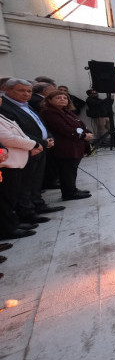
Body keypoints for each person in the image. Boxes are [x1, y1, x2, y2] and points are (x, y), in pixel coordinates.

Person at [0, 78, 63, 223]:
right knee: (25, 183)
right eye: (21, 90)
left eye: (29, 91)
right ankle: (27, 212)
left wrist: (49, 137)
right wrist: (40, 142)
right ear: (7, 90)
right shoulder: (6, 107)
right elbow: (18, 132)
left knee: (36, 180)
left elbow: (38, 123)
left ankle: (38, 204)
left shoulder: (26, 105)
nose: (26, 94)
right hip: (26, 149)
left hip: (40, 146)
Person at [38, 90, 93, 200]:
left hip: (74, 145)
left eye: (65, 98)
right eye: (58, 98)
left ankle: (72, 189)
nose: (62, 100)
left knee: (71, 170)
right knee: (66, 170)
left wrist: (87, 132)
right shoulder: (49, 112)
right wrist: (83, 136)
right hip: (64, 146)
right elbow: (64, 129)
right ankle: (69, 193)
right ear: (49, 100)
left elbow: (79, 123)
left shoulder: (65, 111)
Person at [0, 93, 41, 240]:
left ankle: (13, 223)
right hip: (6, 163)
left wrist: (32, 144)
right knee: (5, 198)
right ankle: (8, 228)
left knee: (11, 196)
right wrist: (34, 144)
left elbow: (19, 132)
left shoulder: (2, 114)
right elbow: (8, 138)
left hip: (16, 161)